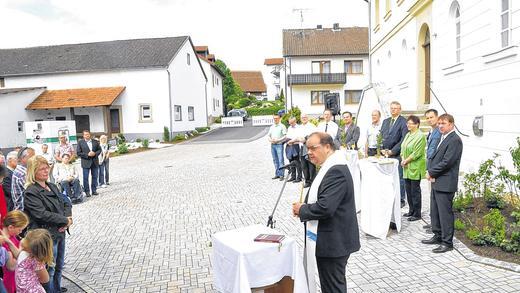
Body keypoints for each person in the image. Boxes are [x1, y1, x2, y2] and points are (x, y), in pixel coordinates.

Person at [292, 132, 360, 293]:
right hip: (330, 240)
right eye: (307, 148)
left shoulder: (335, 171)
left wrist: (302, 209)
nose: (308, 152)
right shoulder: (329, 166)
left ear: (328, 147)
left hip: (333, 242)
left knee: (333, 288)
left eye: (313, 148)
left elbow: (326, 207)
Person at [23, 156, 73, 293]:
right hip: (47, 236)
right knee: (49, 269)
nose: (46, 171)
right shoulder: (31, 192)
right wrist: (64, 220)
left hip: (60, 231)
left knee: (59, 266)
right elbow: (41, 214)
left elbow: (65, 201)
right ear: (33, 172)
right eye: (42, 169)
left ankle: (56, 288)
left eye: (47, 167)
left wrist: (68, 217)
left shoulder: (51, 185)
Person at [422, 114, 463, 253]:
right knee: (435, 211)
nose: (440, 125)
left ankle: (447, 242)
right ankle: (438, 235)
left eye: (443, 123)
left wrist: (431, 172)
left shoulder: (455, 140)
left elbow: (447, 162)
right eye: (439, 123)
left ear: (451, 124)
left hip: (445, 182)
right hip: (437, 181)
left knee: (445, 213)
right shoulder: (442, 137)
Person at [380, 101, 408, 207]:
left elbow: (403, 139)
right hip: (385, 153)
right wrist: (382, 149)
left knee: (399, 177)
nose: (393, 110)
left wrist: (393, 151)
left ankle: (401, 199)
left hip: (396, 154)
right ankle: (389, 196)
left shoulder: (403, 122)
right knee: (387, 177)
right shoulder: (386, 121)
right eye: (391, 108)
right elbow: (382, 136)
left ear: (400, 110)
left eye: (395, 108)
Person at [400, 115, 427, 222]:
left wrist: (406, 161)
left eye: (411, 123)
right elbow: (403, 148)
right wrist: (403, 159)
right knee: (408, 190)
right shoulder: (408, 134)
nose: (408, 125)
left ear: (417, 124)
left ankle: (417, 213)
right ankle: (411, 210)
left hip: (415, 166)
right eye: (408, 123)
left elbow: (417, 152)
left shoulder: (420, 136)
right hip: (406, 167)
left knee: (415, 191)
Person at [2, 210, 30, 293]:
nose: (21, 232)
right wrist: (21, 248)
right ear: (11, 227)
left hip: (15, 276)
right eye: (20, 229)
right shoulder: (4, 242)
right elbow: (11, 267)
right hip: (9, 280)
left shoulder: (11, 235)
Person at [423, 109, 442, 231]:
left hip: (435, 168)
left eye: (432, 117)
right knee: (432, 196)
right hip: (430, 167)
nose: (430, 120)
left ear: (437, 117)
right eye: (428, 118)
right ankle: (433, 222)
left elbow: (434, 151)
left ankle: (437, 225)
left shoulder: (439, 131)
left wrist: (431, 170)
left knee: (436, 199)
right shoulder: (432, 131)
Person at [76, 130, 101, 197]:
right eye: (85, 134)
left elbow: (99, 150)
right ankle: (87, 191)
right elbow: (78, 153)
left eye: (88, 134)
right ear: (83, 135)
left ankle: (94, 190)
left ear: (90, 134)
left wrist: (95, 153)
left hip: (95, 162)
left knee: (95, 177)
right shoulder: (80, 143)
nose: (87, 135)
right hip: (85, 162)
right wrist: (87, 154)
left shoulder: (95, 141)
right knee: (85, 178)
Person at [296, 114, 317, 188]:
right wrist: (299, 139)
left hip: (309, 147)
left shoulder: (312, 126)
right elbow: (297, 136)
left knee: (311, 165)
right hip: (301, 147)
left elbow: (314, 135)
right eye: (302, 117)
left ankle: (313, 182)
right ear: (300, 119)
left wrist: (305, 139)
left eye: (305, 117)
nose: (304, 119)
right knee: (304, 166)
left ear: (307, 118)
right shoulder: (299, 127)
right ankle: (307, 181)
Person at [267, 114, 287, 181]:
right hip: (272, 145)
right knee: (275, 160)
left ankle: (281, 174)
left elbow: (285, 136)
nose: (275, 119)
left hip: (279, 145)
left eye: (277, 118)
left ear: (279, 119)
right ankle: (277, 174)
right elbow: (268, 136)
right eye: (274, 118)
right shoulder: (272, 126)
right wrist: (270, 140)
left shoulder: (282, 126)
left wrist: (278, 140)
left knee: (280, 159)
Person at [285, 117, 303, 183]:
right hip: (289, 145)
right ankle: (293, 176)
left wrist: (292, 141)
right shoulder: (289, 128)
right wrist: (287, 141)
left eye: (292, 123)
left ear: (295, 121)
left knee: (297, 162)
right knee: (291, 161)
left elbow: (299, 137)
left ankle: (299, 177)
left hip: (296, 145)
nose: (290, 124)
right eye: (290, 123)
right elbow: (287, 136)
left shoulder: (299, 127)